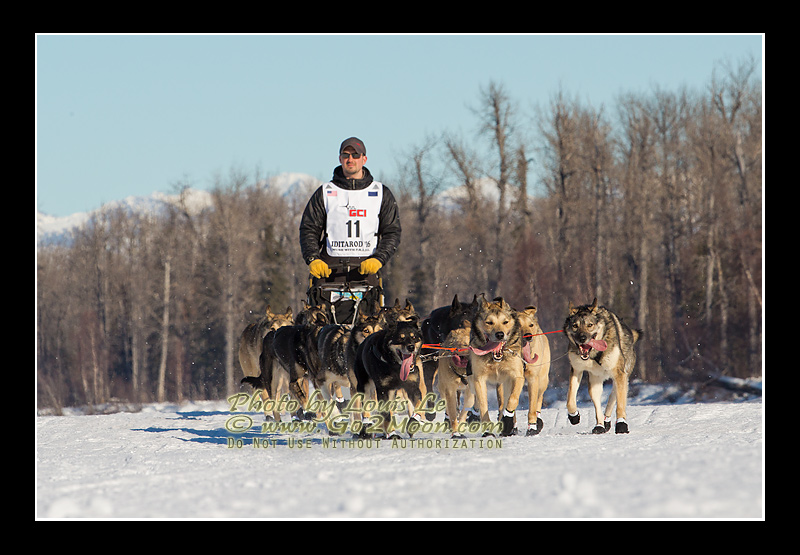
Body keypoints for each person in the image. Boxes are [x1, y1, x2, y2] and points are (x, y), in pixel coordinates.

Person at [299, 137, 401, 322]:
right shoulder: (325, 192)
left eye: (355, 155)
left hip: (365, 273)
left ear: (364, 159)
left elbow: (392, 232)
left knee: (367, 331)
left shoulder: (380, 193)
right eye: (346, 155)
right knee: (321, 332)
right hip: (328, 274)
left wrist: (379, 258)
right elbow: (308, 229)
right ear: (340, 158)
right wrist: (313, 258)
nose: (350, 159)